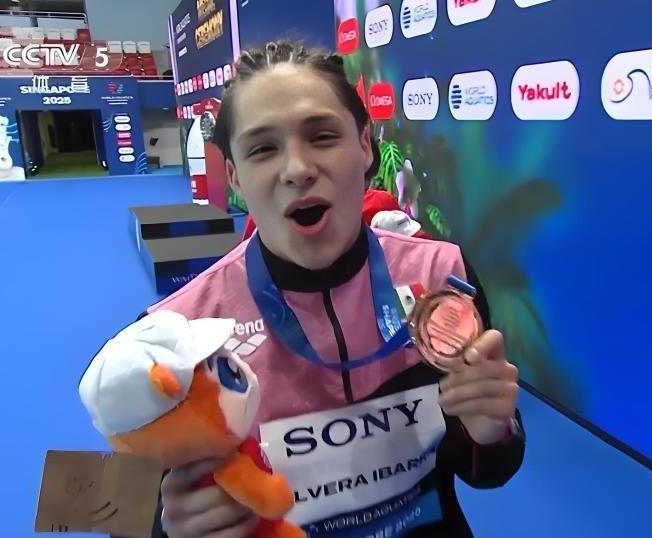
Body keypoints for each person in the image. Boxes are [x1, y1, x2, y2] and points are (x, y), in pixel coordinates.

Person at [144, 40, 525, 538]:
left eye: (322, 136)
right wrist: (170, 528)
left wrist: (494, 431)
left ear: (365, 146)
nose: (297, 169)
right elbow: (141, 513)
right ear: (234, 177)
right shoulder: (179, 335)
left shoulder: (442, 277)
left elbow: (485, 468)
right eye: (263, 149)